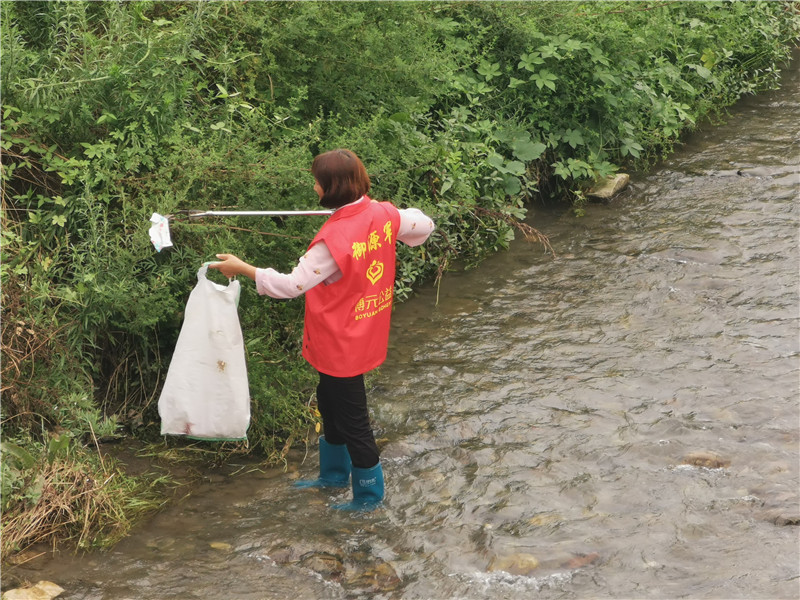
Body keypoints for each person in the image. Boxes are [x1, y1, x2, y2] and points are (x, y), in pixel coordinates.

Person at [210, 149, 435, 510]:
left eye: (317, 181)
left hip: (342, 341)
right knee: (329, 403)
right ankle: (332, 477)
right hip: (357, 329)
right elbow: (425, 225)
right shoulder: (383, 214)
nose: (313, 186)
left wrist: (243, 268)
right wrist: (384, 215)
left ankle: (369, 498)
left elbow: (289, 286)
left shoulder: (333, 242)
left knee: (354, 420)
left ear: (331, 188)